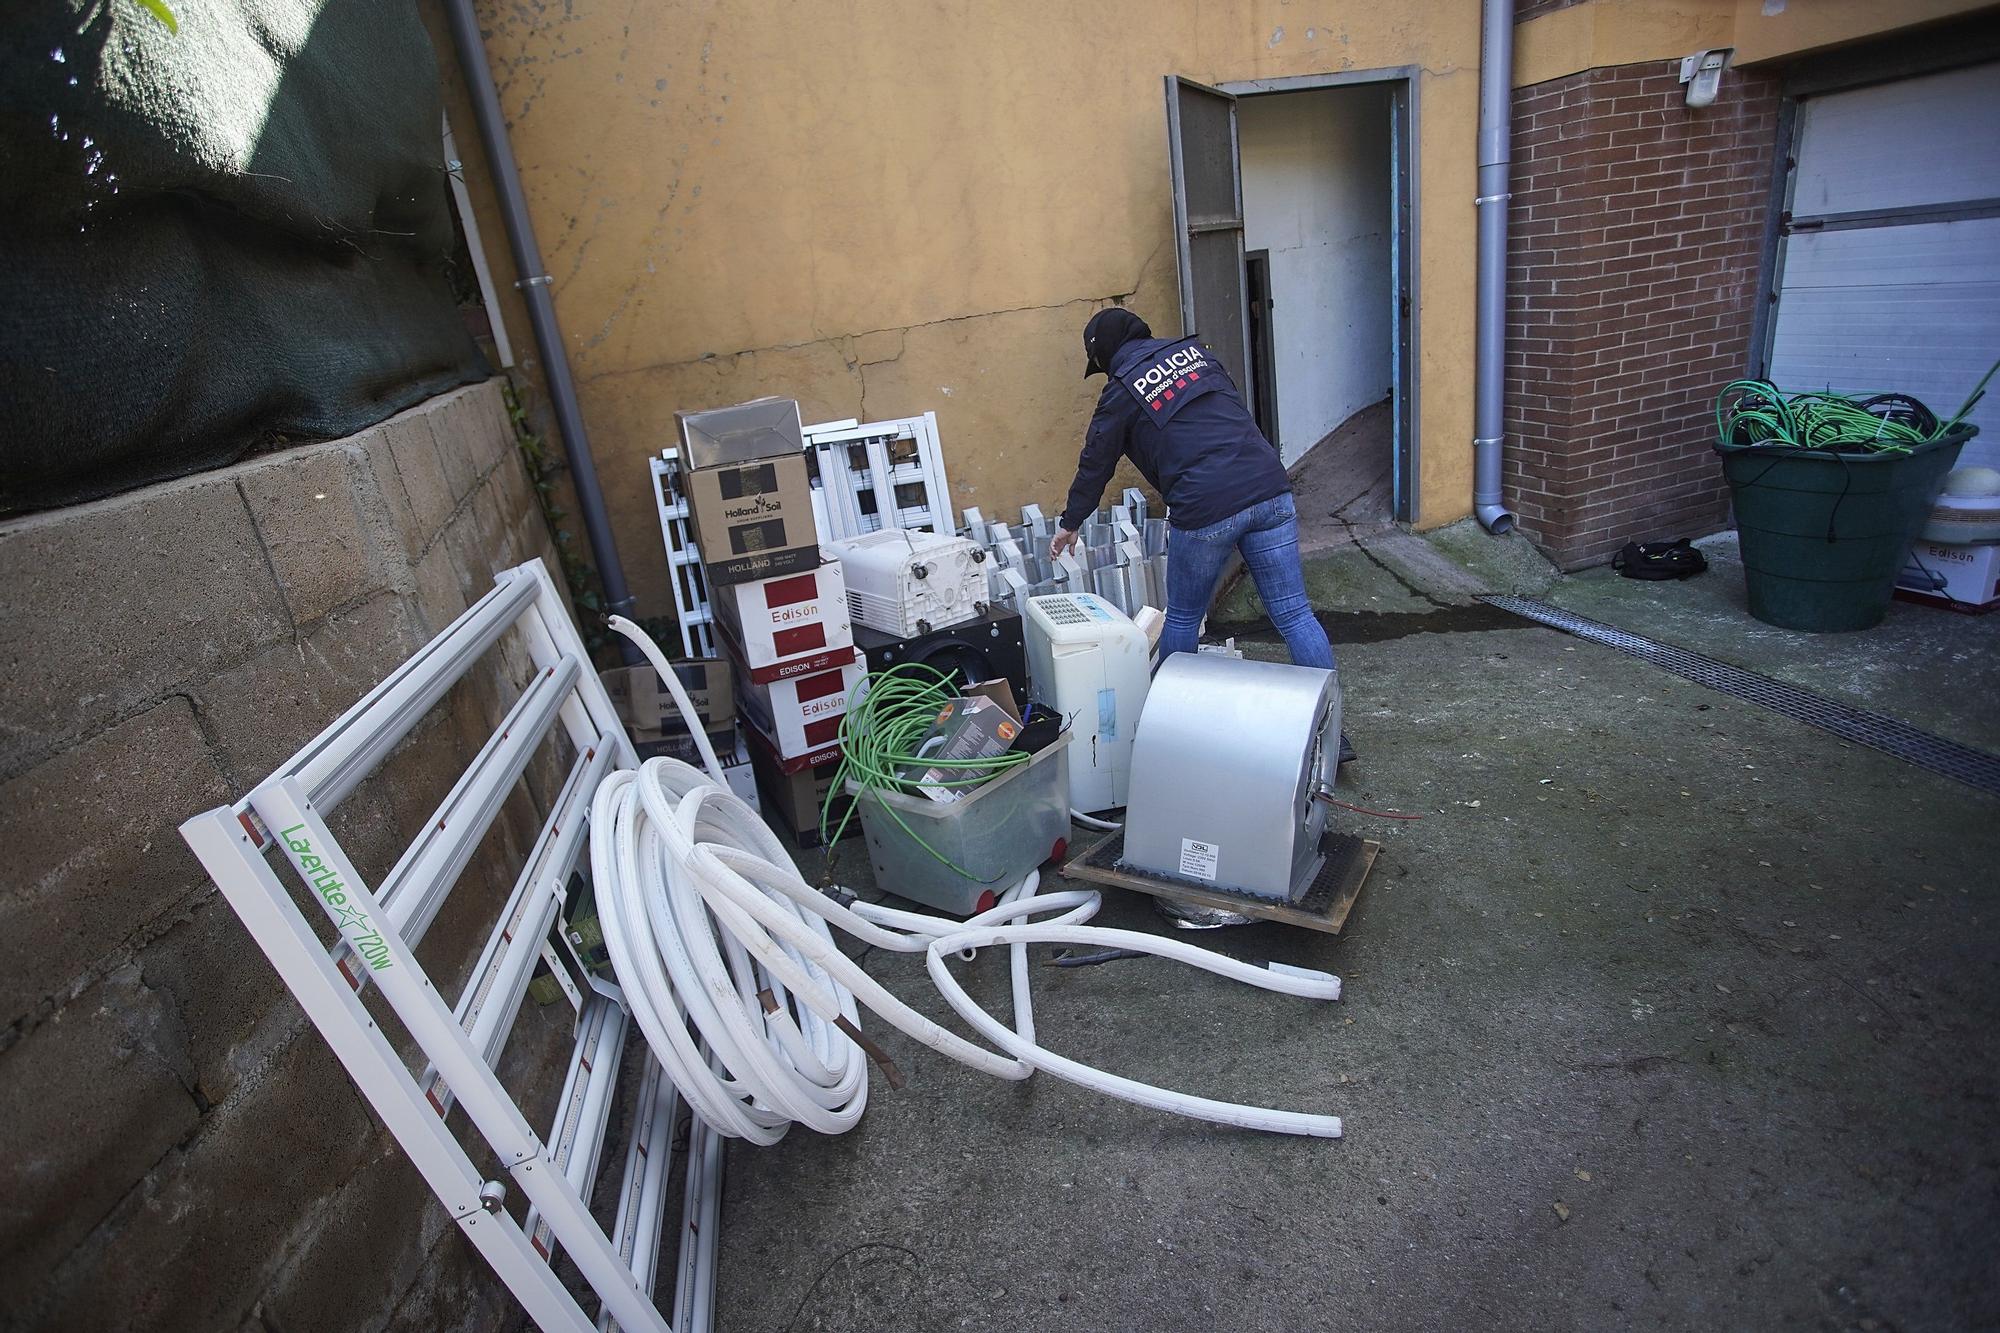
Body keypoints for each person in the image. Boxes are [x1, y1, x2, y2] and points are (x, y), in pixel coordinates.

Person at [1054, 307, 1338, 678]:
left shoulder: (1121, 389)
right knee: (1295, 613)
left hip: (1205, 507)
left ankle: (1174, 719)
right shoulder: (1197, 354)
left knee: (1185, 618)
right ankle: (1332, 731)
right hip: (1269, 488)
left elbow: (1096, 462)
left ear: (1106, 353)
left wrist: (1071, 521)